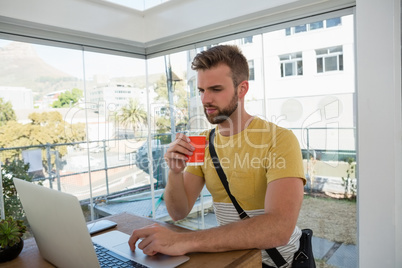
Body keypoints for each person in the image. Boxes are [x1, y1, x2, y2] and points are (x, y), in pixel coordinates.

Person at [128, 45, 306, 267]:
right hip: (233, 259)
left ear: (242, 89)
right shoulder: (204, 141)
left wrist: (184, 241)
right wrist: (175, 172)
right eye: (202, 90)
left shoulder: (279, 139)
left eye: (215, 89)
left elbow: (278, 229)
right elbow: (178, 212)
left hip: (281, 263)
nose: (205, 99)